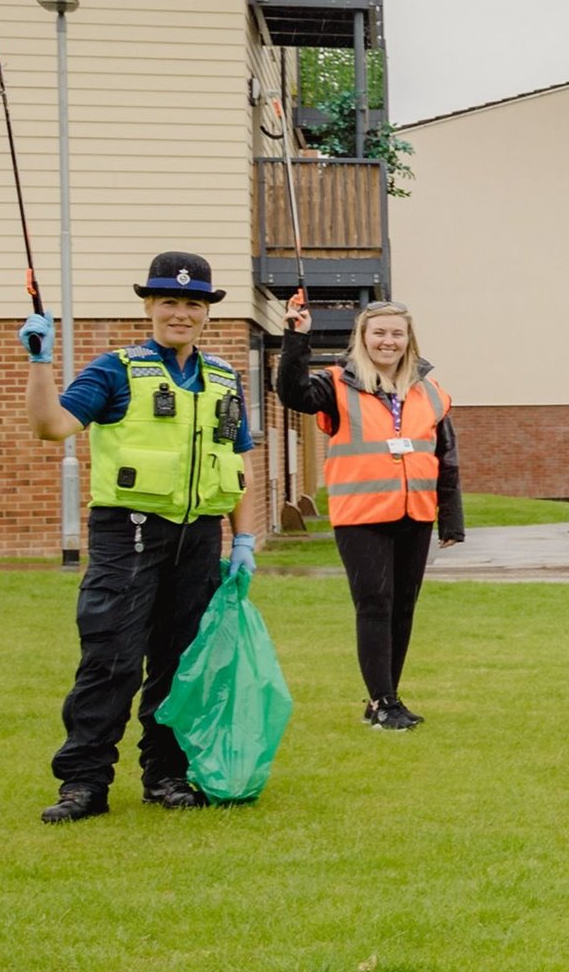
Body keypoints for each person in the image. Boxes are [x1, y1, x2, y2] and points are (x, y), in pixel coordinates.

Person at [23, 252, 258, 822]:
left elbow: (239, 464)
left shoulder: (224, 377)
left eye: (193, 304)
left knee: (180, 665)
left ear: (207, 314)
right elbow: (51, 427)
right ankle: (83, 783)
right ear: (149, 306)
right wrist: (40, 363)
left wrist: (244, 541)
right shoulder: (115, 370)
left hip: (200, 539)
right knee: (111, 660)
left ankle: (167, 775)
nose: (181, 313)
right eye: (169, 302)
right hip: (127, 537)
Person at [276, 291, 463, 728]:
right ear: (363, 337)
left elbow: (446, 457)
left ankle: (387, 698)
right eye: (379, 333)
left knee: (403, 608)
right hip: (361, 516)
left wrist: (450, 518)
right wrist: (295, 338)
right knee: (375, 605)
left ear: (409, 339)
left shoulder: (430, 392)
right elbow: (292, 393)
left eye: (397, 334)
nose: (388, 341)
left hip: (413, 514)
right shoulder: (336, 383)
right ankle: (382, 703)